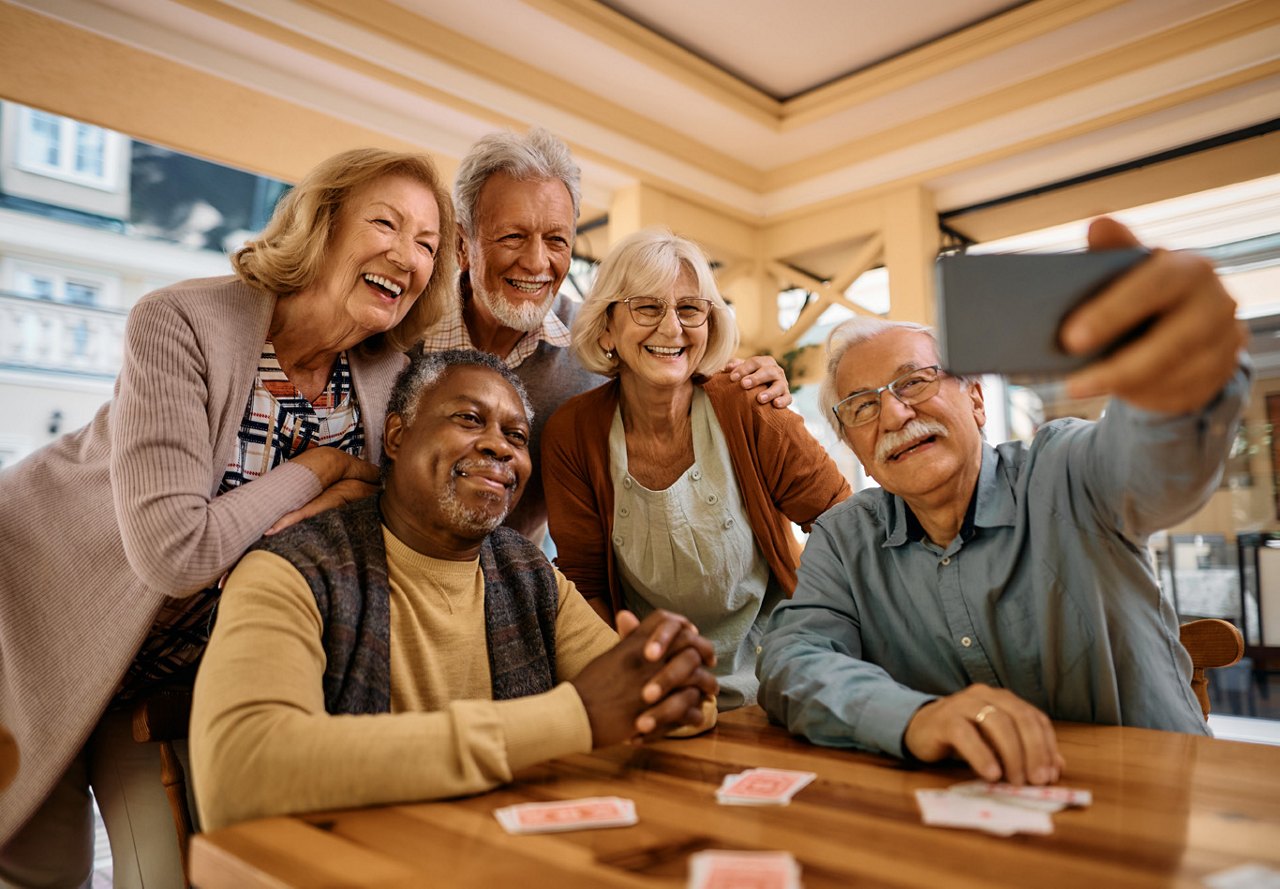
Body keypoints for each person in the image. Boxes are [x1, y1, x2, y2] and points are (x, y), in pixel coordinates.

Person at [0, 147, 457, 887]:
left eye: (428, 244)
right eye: (387, 223)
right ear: (324, 223)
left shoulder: (381, 378)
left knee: (180, 874)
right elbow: (176, 550)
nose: (407, 255)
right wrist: (317, 471)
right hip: (36, 616)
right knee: (43, 869)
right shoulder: (180, 321)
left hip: (161, 675)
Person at [757, 218, 1250, 787]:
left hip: (1144, 804)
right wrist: (914, 717)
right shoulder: (845, 539)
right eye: (862, 407)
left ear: (975, 399)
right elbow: (792, 661)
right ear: (857, 452)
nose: (893, 415)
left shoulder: (1066, 471)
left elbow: (1157, 467)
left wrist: (1182, 384)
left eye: (913, 382)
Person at [190, 349, 718, 829]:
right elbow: (242, 770)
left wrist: (674, 675)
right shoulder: (292, 570)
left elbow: (650, 703)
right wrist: (573, 717)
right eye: (469, 419)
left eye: (516, 436)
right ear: (396, 436)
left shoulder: (527, 573)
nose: (499, 446)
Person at [419, 128, 793, 539]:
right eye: (513, 236)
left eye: (556, 240)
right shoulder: (402, 333)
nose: (536, 261)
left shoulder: (602, 338)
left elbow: (679, 372)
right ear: (460, 244)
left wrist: (753, 381)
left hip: (517, 581)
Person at [542, 229, 850, 710]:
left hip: (780, 682)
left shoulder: (750, 403)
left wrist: (804, 635)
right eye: (647, 308)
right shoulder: (572, 433)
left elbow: (842, 524)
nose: (672, 329)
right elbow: (586, 586)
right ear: (606, 327)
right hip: (657, 690)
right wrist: (634, 682)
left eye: (689, 309)